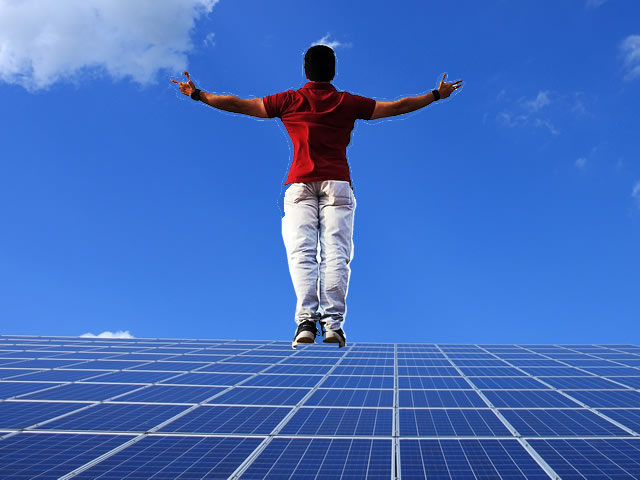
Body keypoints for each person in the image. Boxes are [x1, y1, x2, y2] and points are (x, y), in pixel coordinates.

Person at [171, 45, 462, 349]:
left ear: (305, 71)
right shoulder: (346, 102)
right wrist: (436, 95)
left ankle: (306, 322)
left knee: (302, 253)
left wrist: (197, 94)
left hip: (299, 185)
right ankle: (333, 325)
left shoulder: (289, 100)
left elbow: (238, 104)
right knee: (337, 253)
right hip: (337, 184)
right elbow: (397, 106)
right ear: (333, 71)